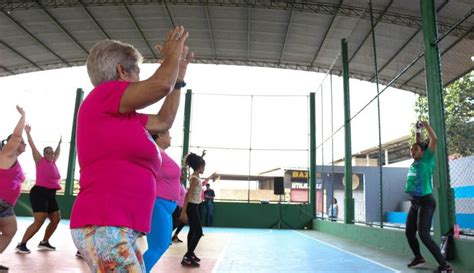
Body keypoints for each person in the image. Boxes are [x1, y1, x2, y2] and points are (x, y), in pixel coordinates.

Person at [70, 25, 193, 272]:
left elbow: (163, 121)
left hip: (121, 226)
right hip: (105, 223)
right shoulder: (104, 95)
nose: (140, 78)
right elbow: (159, 85)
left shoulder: (127, 118)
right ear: (121, 71)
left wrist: (178, 77)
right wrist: (172, 55)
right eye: (138, 71)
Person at [404, 121, 452, 273]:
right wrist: (417, 130)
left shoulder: (427, 159)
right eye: (411, 150)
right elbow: (419, 143)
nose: (413, 152)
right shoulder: (415, 162)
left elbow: (434, 140)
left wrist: (425, 125)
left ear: (423, 152)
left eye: (415, 150)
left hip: (426, 202)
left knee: (423, 234)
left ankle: (445, 267)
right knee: (409, 231)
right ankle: (418, 257)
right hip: (414, 202)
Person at [16, 125, 62, 254]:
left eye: (52, 152)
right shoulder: (39, 160)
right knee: (40, 220)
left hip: (51, 194)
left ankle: (44, 242)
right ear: (44, 154)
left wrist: (59, 143)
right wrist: (28, 132)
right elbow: (32, 145)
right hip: (39, 193)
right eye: (48, 152)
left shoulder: (53, 163)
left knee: (56, 219)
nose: (51, 154)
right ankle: (22, 244)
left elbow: (58, 152)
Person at [143, 130, 182, 272]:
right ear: (160, 135)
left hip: (167, 206)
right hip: (158, 204)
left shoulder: (162, 154)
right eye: (168, 134)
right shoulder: (154, 153)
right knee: (159, 246)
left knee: (162, 244)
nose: (171, 137)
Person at [0, 106, 26, 271]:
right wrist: (23, 116)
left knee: (10, 229)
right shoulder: (6, 154)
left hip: (5, 206)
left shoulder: (15, 160)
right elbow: (16, 135)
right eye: (22, 142)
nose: (23, 144)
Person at [180, 152, 207, 267]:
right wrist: (184, 212)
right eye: (203, 166)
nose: (204, 168)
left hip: (194, 206)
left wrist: (202, 156)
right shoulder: (195, 179)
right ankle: (187, 255)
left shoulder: (195, 176)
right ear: (199, 167)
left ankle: (190, 255)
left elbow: (197, 163)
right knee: (199, 232)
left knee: (192, 231)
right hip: (192, 207)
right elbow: (187, 195)